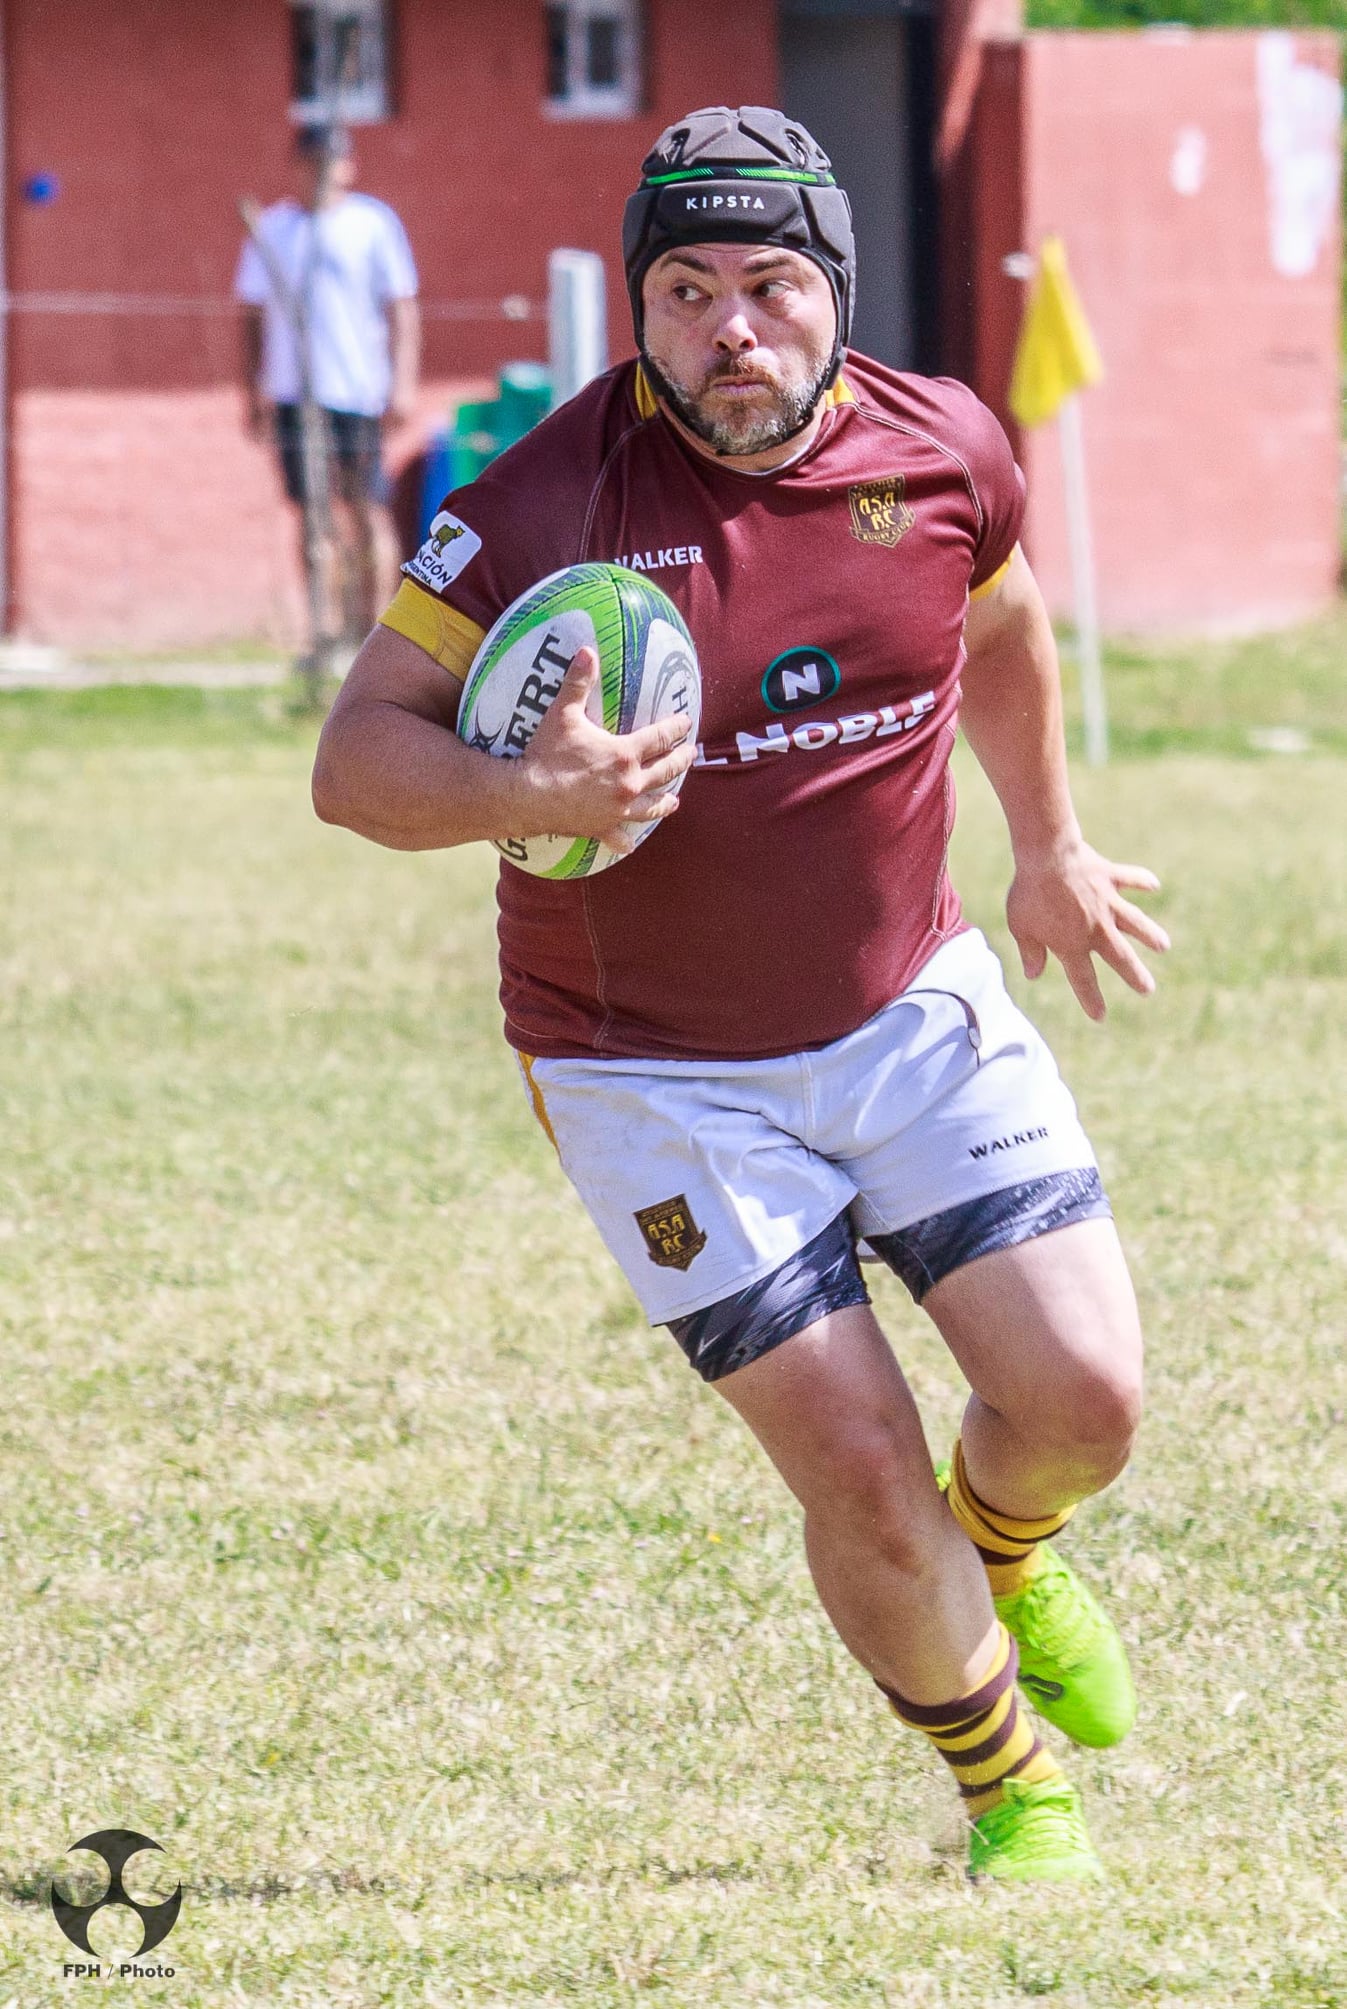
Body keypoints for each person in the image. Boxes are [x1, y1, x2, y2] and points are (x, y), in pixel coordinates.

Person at [311, 106, 1170, 1883]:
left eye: (769, 285)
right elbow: (354, 758)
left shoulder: (942, 449)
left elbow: (996, 626)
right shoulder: (539, 503)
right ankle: (1010, 1782)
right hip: (651, 1074)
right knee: (859, 1461)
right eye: (684, 289)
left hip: (905, 997)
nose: (728, 330)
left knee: (1084, 1393)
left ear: (833, 292)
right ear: (642, 303)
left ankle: (1001, 1548)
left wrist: (1051, 844)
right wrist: (518, 797)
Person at [236, 122, 420, 647]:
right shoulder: (273, 228)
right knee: (313, 515)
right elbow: (251, 315)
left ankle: (381, 630)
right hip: (295, 393)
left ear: (349, 165)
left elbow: (401, 308)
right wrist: (252, 390)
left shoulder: (372, 224)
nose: (322, 173)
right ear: (296, 166)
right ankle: (327, 629)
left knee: (366, 510)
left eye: (332, 161)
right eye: (313, 162)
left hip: (357, 390)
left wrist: (401, 382)